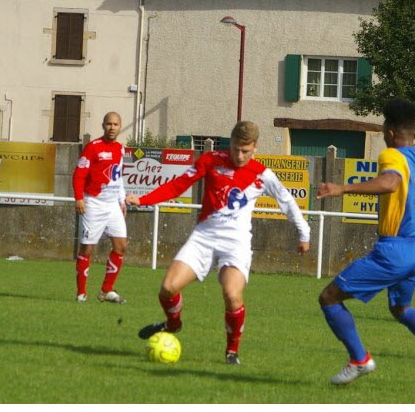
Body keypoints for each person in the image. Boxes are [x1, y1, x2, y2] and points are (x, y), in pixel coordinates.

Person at [315, 98, 415, 395]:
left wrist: (342, 187)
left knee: (329, 298)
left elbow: (389, 184)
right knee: (401, 308)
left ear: (389, 131)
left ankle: (360, 359)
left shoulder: (392, 156)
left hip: (394, 250)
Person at [126, 121, 310, 365]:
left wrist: (304, 233)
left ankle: (231, 352)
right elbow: (179, 185)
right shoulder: (211, 160)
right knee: (168, 288)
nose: (239, 155)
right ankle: (173, 324)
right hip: (204, 236)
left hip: (236, 242)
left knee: (232, 294)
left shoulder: (262, 174)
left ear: (255, 147)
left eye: (245, 150)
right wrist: (144, 199)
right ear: (230, 144)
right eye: (235, 149)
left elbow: (287, 202)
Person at [72, 112, 128, 304]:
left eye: (116, 124)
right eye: (109, 124)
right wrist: (79, 198)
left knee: (121, 246)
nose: (112, 127)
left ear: (120, 127)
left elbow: (118, 177)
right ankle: (81, 293)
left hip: (112, 204)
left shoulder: (121, 149)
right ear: (103, 125)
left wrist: (121, 200)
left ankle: (106, 290)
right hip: (93, 203)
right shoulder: (92, 148)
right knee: (87, 248)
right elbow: (79, 174)